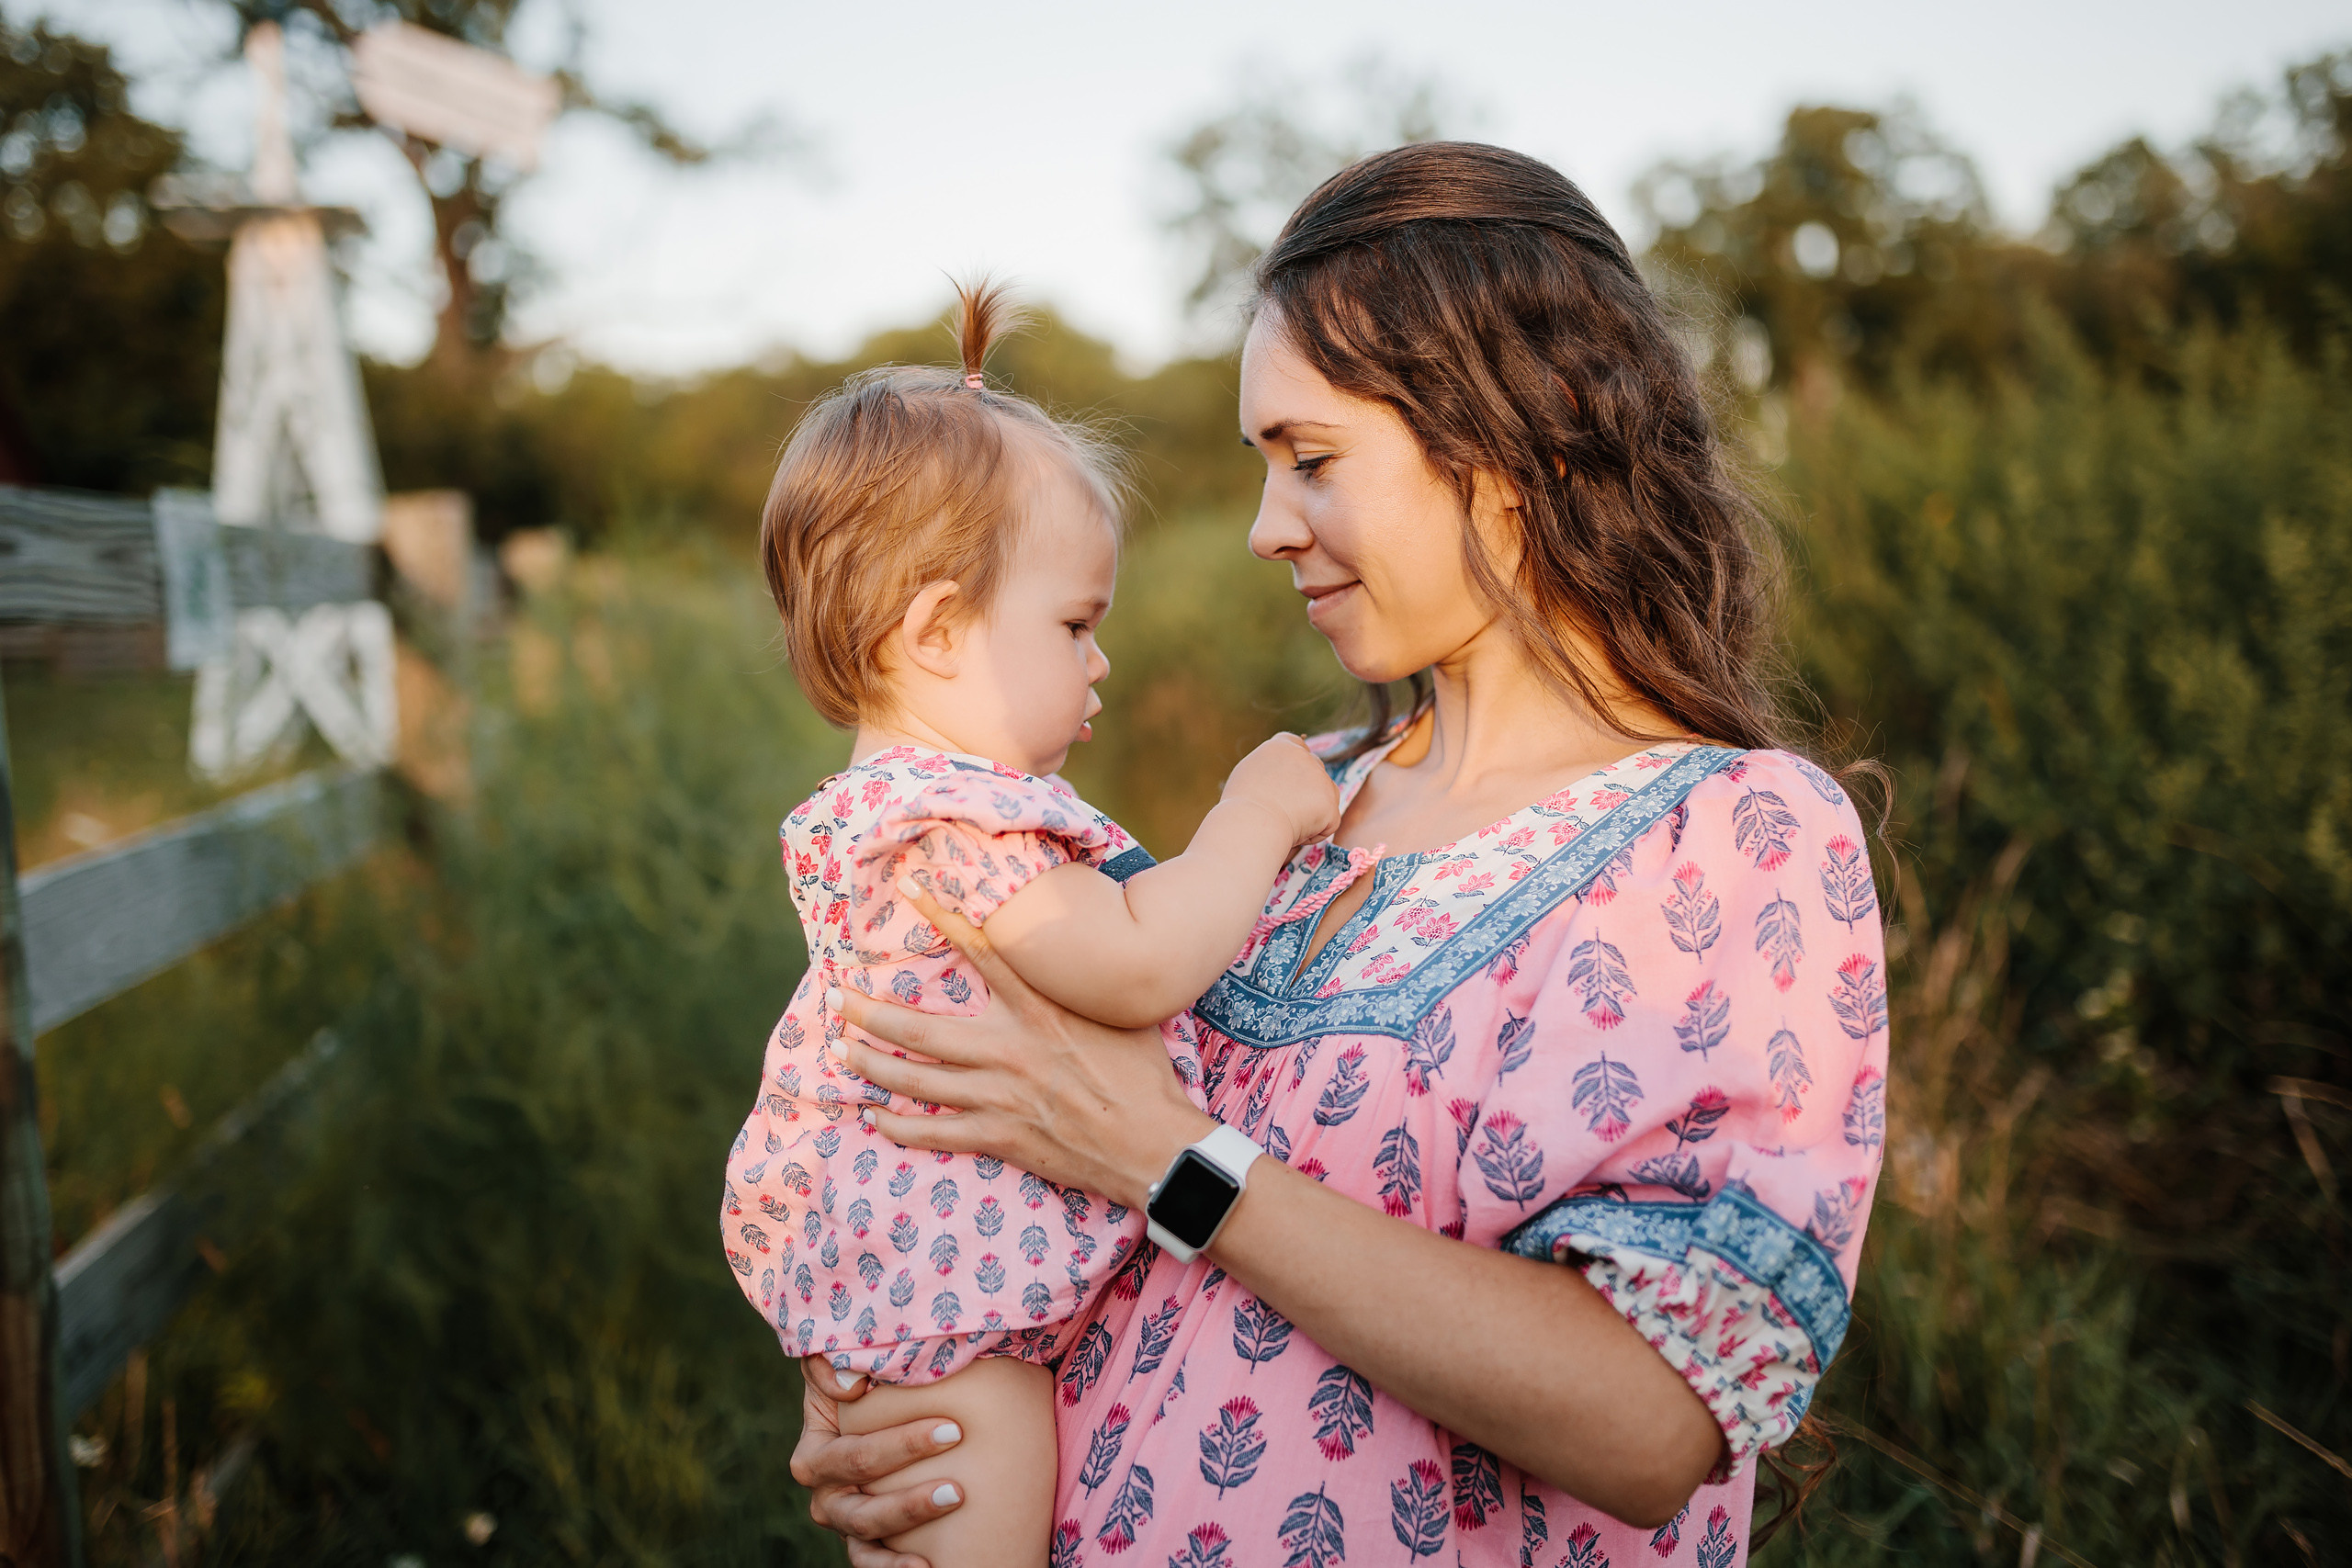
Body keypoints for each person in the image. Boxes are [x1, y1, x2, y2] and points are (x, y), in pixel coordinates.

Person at [788, 142, 1891, 1568]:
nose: (1263, 528)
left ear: (1528, 433)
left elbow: (1650, 1419)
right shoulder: (1307, 807)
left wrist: (1171, 1163)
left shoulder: (1732, 833)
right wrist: (904, 1416)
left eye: (1312, 462)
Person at [722, 279, 1346, 1568]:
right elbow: (1136, 962)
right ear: (941, 632)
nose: (1100, 661)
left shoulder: (914, 809)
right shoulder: (950, 829)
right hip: (959, 1335)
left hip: (927, 1311)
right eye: (1074, 625)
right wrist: (1256, 813)